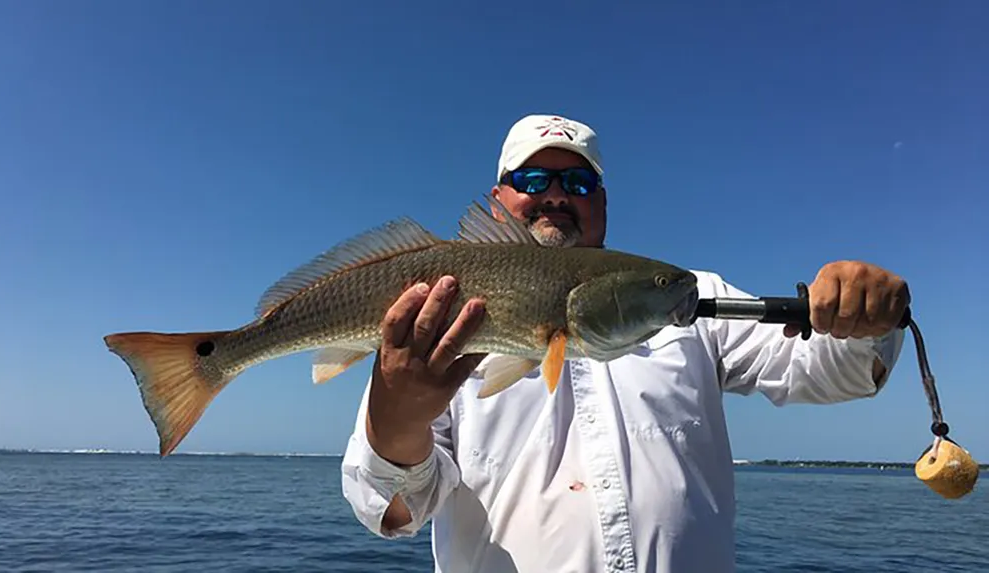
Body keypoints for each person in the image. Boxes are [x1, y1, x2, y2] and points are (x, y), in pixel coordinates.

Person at [340, 114, 910, 572]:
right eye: (533, 182)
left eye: (579, 183)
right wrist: (396, 421)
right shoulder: (441, 316)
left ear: (603, 204)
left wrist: (865, 319)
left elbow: (836, 372)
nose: (557, 196)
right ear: (498, 202)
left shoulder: (690, 299)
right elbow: (393, 512)